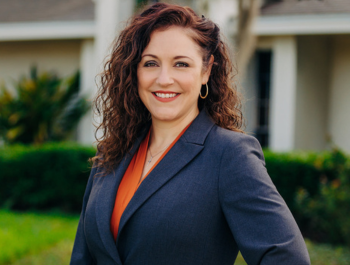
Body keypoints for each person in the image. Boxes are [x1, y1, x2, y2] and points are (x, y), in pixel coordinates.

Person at [70, 3, 310, 265]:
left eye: (181, 64)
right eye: (150, 63)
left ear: (206, 71)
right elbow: (84, 256)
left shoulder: (230, 155)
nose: (164, 79)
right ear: (134, 71)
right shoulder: (110, 154)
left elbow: (287, 258)